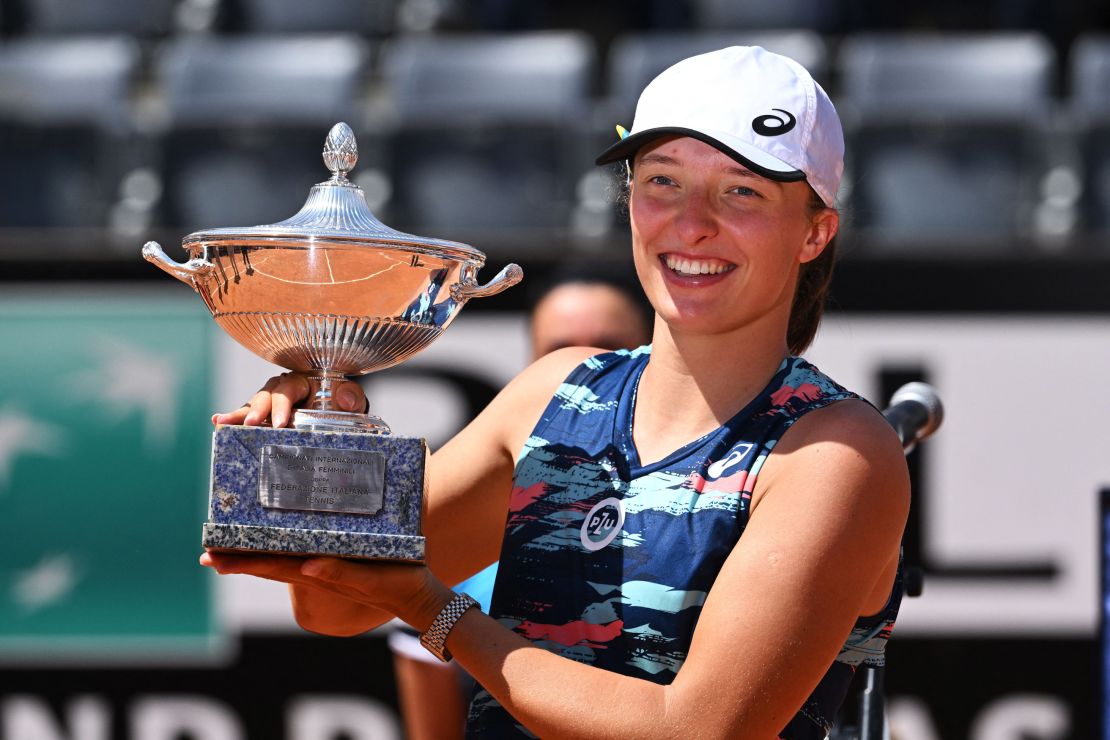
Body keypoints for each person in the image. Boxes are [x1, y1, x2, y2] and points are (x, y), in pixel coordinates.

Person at [205, 46, 910, 739]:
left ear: (815, 231)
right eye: (662, 181)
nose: (692, 222)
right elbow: (334, 608)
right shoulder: (556, 392)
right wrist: (324, 451)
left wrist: (435, 610)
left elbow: (695, 731)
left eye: (742, 191)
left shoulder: (838, 453)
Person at [387, 262, 653, 740]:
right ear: (532, 363)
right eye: (560, 351)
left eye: (611, 350)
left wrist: (433, 608)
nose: (588, 369)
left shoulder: (719, 509)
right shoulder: (466, 526)